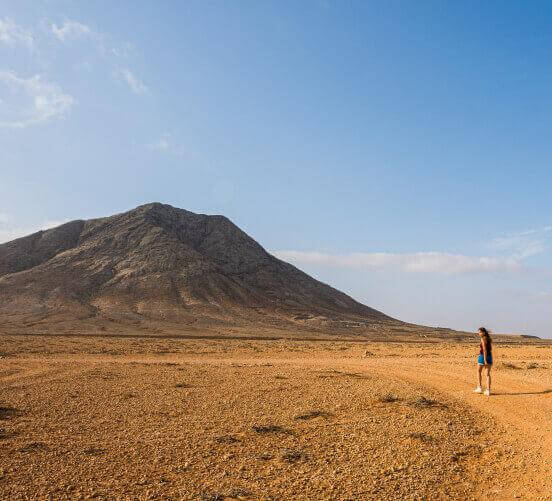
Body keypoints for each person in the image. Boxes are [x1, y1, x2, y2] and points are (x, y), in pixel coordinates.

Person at [474, 327, 493, 396]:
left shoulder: (483, 339)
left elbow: (484, 350)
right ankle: (488, 390)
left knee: (479, 371)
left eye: (480, 332)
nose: (479, 333)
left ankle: (479, 388)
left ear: (483, 332)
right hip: (489, 356)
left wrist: (484, 359)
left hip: (483, 357)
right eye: (478, 332)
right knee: (487, 374)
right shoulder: (488, 338)